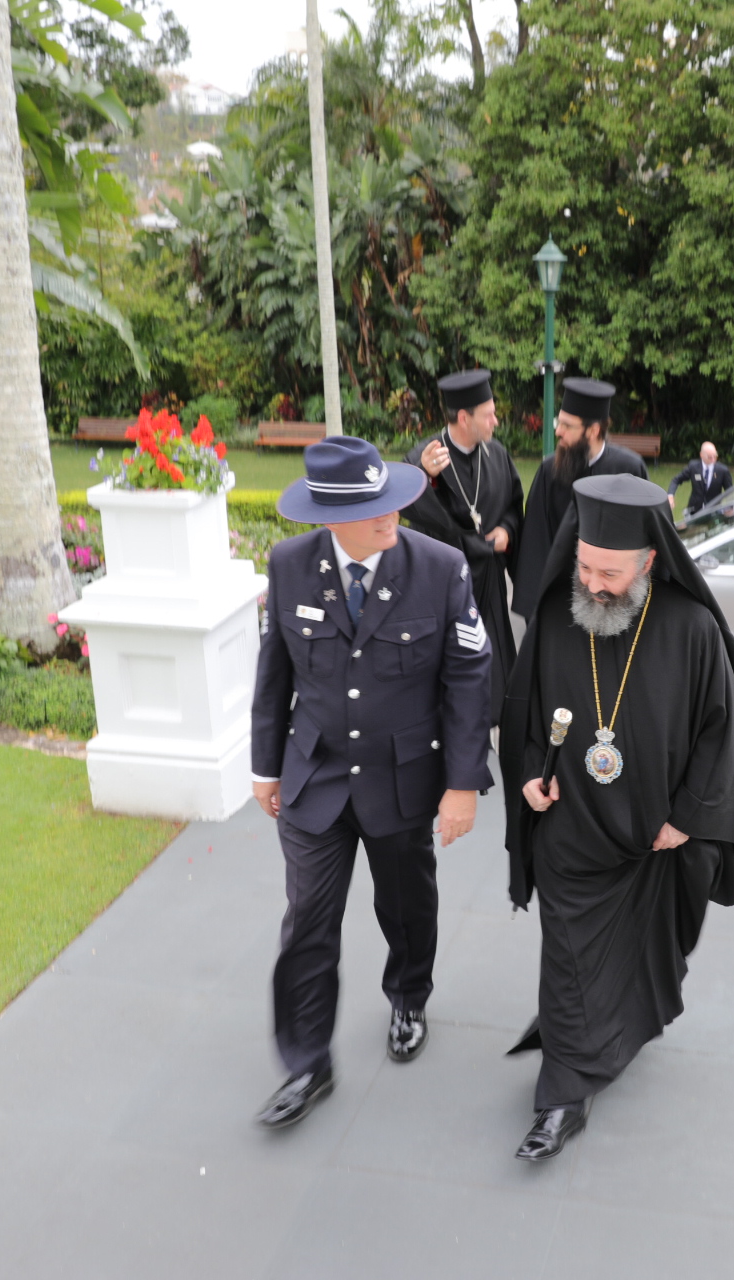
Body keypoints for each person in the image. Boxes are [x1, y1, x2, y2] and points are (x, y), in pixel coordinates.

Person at [501, 474, 734, 1161]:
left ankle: (605, 1032)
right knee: (567, 961)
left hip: (655, 841)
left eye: (609, 573)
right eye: (584, 566)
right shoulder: (557, 617)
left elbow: (721, 733)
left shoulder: (691, 628)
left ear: (648, 561)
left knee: (636, 958)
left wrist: (689, 817)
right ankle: (562, 1097)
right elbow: (525, 714)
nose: (593, 584)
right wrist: (529, 776)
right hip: (571, 833)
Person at [249, 435, 496, 1130]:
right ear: (330, 520)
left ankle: (409, 998)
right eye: (370, 509)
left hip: (403, 777)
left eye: (388, 500)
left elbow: (468, 677)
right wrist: (266, 766)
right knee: (307, 921)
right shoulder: (290, 565)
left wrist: (463, 783)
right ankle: (307, 1062)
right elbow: (274, 672)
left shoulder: (439, 568)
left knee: (407, 907)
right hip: (315, 776)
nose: (390, 515)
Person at [402, 369, 524, 707]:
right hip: (443, 586)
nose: (496, 421)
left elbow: (513, 505)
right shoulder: (425, 456)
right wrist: (425, 476)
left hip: (489, 584)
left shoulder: (497, 455)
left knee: (495, 681)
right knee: (447, 681)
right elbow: (406, 505)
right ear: (463, 418)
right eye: (489, 415)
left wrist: (507, 530)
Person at [511, 377, 648, 619]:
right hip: (562, 604)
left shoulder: (629, 470)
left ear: (593, 430)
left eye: (567, 425)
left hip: (615, 605)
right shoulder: (550, 471)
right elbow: (536, 541)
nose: (558, 431)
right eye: (559, 422)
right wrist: (538, 610)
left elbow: (644, 542)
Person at [665, 441, 730, 515]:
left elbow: (730, 491)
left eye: (715, 456)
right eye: (710, 457)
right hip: (694, 510)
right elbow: (676, 480)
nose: (713, 459)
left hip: (713, 511)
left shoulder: (722, 470)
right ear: (701, 455)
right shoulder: (693, 467)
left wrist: (729, 508)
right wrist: (670, 496)